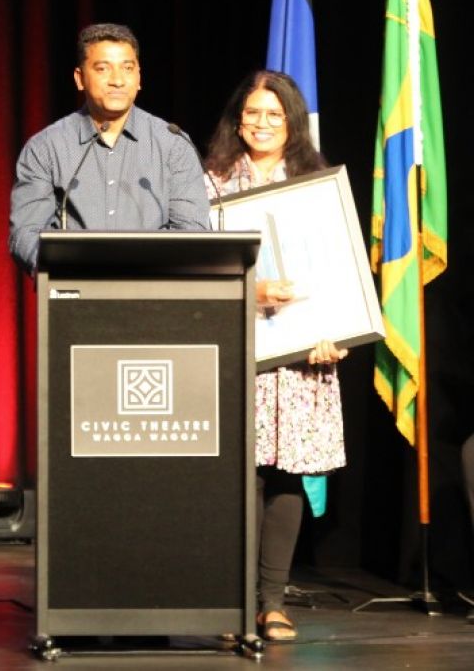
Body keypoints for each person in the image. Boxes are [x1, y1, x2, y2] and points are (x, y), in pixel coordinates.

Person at [203, 70, 347, 642]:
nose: (262, 124)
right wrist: (254, 291)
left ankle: (271, 602)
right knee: (237, 476)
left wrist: (337, 332)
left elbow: (339, 270)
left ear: (291, 124)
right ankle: (231, 605)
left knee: (287, 474)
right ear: (238, 119)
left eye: (274, 115)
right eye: (252, 113)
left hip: (303, 352)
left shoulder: (319, 182)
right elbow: (202, 261)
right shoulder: (209, 182)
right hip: (236, 344)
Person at [9, 22, 210, 271]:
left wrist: (137, 273)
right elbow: (26, 234)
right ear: (80, 79)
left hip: (154, 297)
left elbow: (192, 231)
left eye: (127, 68)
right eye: (103, 69)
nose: (117, 80)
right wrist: (71, 271)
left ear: (139, 78)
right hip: (73, 298)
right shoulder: (46, 148)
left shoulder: (173, 145)